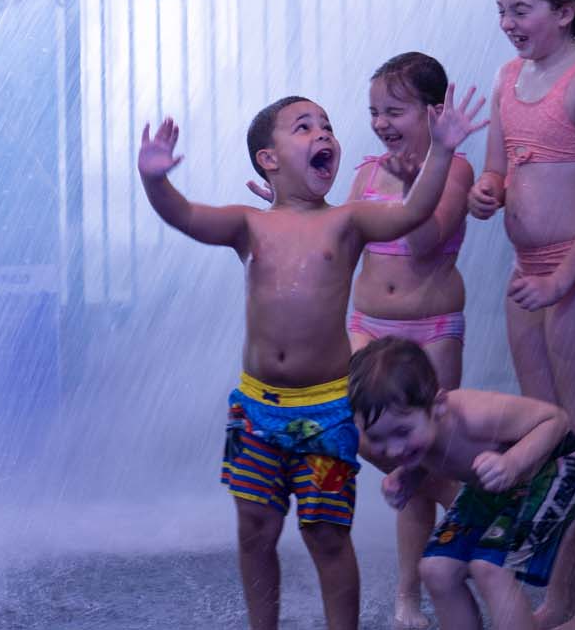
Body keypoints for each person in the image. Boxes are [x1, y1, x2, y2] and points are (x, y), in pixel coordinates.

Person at [138, 89, 486, 630]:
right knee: (255, 531)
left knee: (326, 535)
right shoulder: (248, 225)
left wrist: (441, 151)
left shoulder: (347, 222)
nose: (323, 134)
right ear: (268, 160)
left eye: (327, 126)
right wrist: (156, 181)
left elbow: (416, 210)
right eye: (303, 127)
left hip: (326, 412)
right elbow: (184, 216)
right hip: (257, 411)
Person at [468, 0, 575, 630]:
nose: (507, 23)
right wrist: (484, 191)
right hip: (525, 276)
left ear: (565, 12)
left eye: (520, 10)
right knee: (545, 437)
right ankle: (556, 594)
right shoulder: (508, 77)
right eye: (501, 10)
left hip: (573, 273)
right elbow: (497, 168)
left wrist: (565, 276)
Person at [345, 53, 475, 630]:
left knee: (421, 451)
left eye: (393, 110)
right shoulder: (367, 172)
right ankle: (480, 511)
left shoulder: (457, 169)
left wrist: (413, 182)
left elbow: (425, 243)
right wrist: (286, 211)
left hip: (431, 332)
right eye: (374, 111)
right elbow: (339, 241)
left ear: (432, 111)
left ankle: (408, 597)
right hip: (368, 327)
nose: (381, 123)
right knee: (381, 443)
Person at [350, 336, 575, 630]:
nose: (394, 450)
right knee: (436, 569)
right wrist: (406, 478)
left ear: (437, 405)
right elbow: (432, 457)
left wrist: (512, 462)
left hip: (555, 468)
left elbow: (556, 420)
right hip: (496, 486)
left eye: (401, 432)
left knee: (490, 566)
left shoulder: (475, 414)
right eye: (378, 439)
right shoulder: (419, 435)